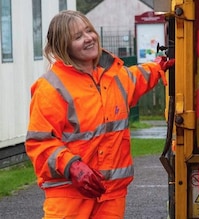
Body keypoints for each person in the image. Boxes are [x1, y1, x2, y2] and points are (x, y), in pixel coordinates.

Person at [25, 10, 174, 219]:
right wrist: (73, 166)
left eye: (89, 31)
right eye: (78, 37)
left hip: (111, 196)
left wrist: (158, 67)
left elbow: (138, 77)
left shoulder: (115, 76)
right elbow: (39, 143)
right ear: (63, 46)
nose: (88, 38)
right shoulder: (51, 88)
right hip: (70, 197)